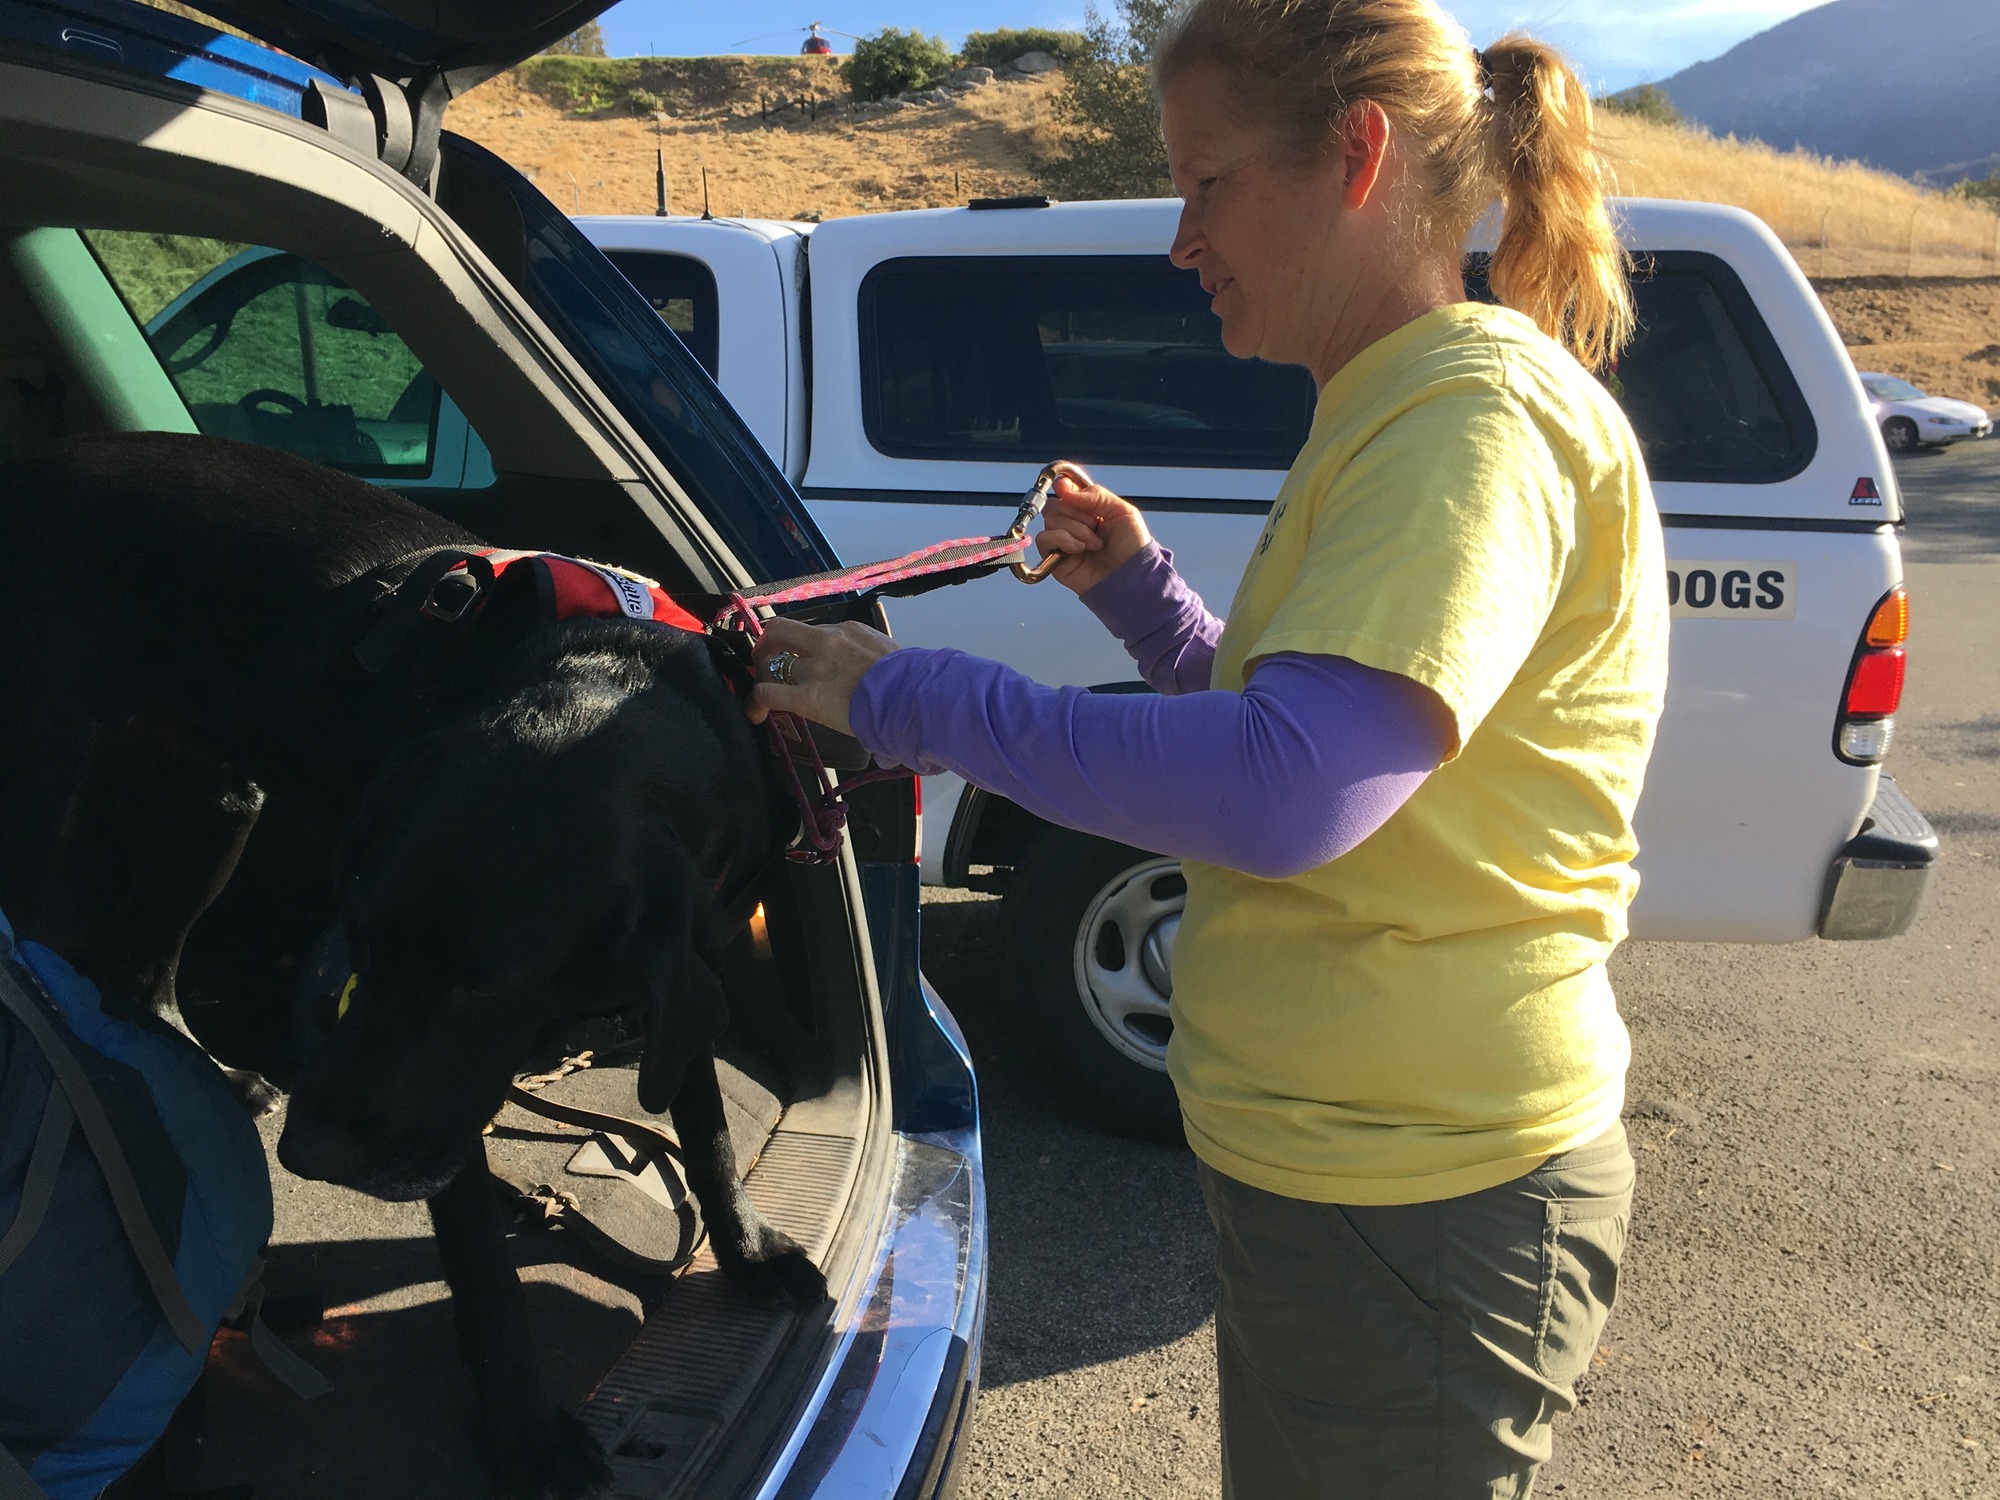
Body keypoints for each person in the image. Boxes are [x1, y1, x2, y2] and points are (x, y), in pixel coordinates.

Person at [744, 0, 1669, 1492]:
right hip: (1353, 1166)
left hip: (1420, 1183)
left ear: (1355, 154)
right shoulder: (1389, 408)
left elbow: (1291, 792)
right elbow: (1335, 740)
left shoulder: (1468, 422)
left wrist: (903, 699)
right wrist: (1146, 602)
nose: (1183, 239)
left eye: (1207, 180)